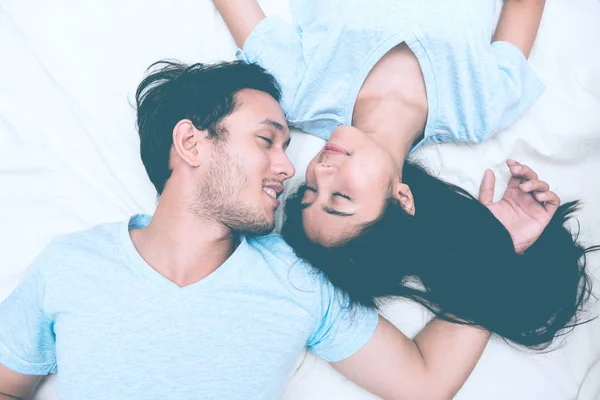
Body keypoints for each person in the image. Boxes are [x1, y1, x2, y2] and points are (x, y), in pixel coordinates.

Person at [0, 60, 494, 400]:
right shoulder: (71, 265)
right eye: (266, 140)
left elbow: (425, 383)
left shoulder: (295, 278)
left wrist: (500, 249)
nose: (288, 166)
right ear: (190, 143)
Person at [215, 0, 597, 349]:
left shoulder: (297, 92)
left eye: (312, 189)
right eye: (341, 198)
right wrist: (499, 243)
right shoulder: (482, 108)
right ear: (402, 198)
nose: (322, 170)